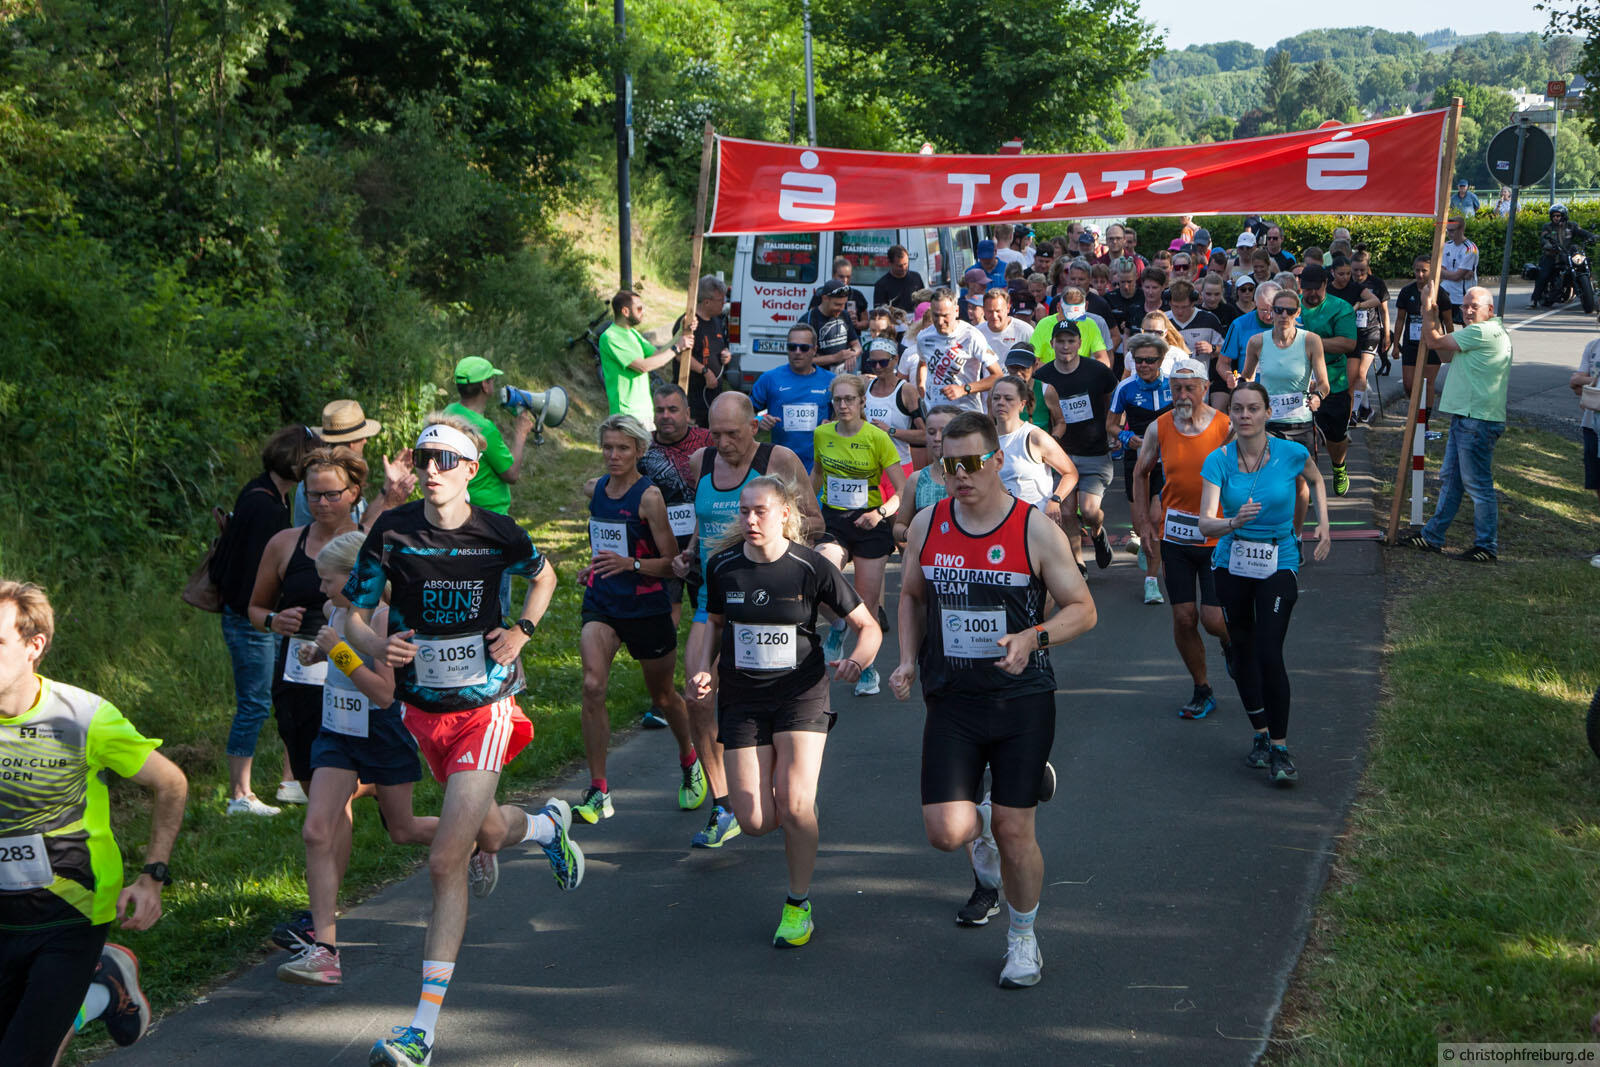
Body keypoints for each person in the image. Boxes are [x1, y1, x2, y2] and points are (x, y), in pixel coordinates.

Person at [345, 415, 581, 1067]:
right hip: (425, 712)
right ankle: (545, 827)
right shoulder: (392, 531)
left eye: (445, 460)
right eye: (424, 458)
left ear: (471, 470)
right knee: (486, 831)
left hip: (486, 706)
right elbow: (353, 615)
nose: (431, 469)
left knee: (445, 860)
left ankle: (421, 1031)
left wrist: (523, 630)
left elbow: (545, 576)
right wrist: (376, 646)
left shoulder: (497, 531)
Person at [890, 412, 1097, 988]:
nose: (959, 475)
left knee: (1014, 829)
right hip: (952, 698)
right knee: (945, 833)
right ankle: (983, 819)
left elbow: (1083, 609)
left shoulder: (1034, 529)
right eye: (948, 465)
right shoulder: (929, 523)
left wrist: (1033, 638)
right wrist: (905, 659)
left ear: (997, 460)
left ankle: (1023, 939)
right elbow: (911, 597)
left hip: (1020, 699)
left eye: (971, 463)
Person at [0, 580, 188, 1065]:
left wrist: (153, 876)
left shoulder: (84, 717)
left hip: (72, 910)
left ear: (34, 645)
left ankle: (94, 981)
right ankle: (102, 989)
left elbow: (170, 782)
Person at [690, 475, 881, 947]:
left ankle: (798, 904)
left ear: (784, 514)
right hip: (743, 699)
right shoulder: (723, 566)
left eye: (760, 511)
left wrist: (858, 661)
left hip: (801, 693)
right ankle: (799, 809)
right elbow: (716, 624)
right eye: (744, 511)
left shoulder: (810, 567)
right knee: (754, 821)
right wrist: (704, 671)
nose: (751, 519)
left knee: (794, 804)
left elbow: (868, 626)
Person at [275, 531, 439, 986]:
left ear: (355, 578)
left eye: (327, 581)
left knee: (403, 830)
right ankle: (325, 951)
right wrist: (318, 653)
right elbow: (338, 661)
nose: (320, 589)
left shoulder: (384, 620)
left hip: (382, 732)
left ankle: (475, 837)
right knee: (316, 830)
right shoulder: (334, 611)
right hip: (338, 733)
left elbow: (384, 693)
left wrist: (338, 652)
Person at [676, 393, 821, 849]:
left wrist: (771, 545)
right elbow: (704, 517)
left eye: (732, 434)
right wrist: (690, 551)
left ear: (754, 427)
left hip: (767, 599)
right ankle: (723, 804)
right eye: (715, 434)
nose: (723, 444)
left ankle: (784, 782)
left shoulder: (778, 459)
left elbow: (815, 520)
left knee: (765, 692)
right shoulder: (700, 461)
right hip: (713, 597)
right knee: (698, 696)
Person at [1197, 382, 1331, 784]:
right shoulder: (1218, 461)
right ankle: (1259, 732)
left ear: (1267, 412)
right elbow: (1205, 523)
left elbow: (1316, 480)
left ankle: (1280, 748)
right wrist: (1232, 522)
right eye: (1238, 408)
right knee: (1242, 650)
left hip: (1279, 559)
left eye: (1253, 408)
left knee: (1269, 651)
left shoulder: (1291, 453)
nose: (1245, 415)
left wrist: (1323, 525)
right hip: (1232, 560)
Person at [574, 415, 702, 825]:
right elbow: (603, 544)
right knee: (593, 685)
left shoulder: (649, 498)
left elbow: (671, 564)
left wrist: (628, 564)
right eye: (608, 447)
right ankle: (599, 789)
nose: (613, 455)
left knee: (664, 697)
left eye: (622, 448)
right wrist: (595, 567)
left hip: (646, 607)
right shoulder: (595, 490)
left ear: (639, 451)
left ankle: (689, 759)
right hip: (602, 603)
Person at [249, 447, 365, 812]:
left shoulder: (371, 543)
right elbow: (255, 609)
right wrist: (274, 620)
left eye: (332, 494)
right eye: (313, 495)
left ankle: (373, 792)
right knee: (310, 778)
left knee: (351, 777)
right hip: (298, 674)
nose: (322, 503)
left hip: (356, 672)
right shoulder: (285, 543)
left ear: (353, 493)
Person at [213, 425, 315, 816]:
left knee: (277, 697)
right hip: (250, 620)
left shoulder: (266, 494)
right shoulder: (267, 507)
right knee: (254, 704)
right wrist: (269, 616)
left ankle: (289, 781)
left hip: (256, 617)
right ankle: (239, 795)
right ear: (298, 464)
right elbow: (250, 575)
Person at [1131, 358, 1234, 717]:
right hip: (1175, 538)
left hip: (1217, 538)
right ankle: (1202, 688)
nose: (1183, 395)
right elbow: (1141, 472)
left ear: (1205, 388)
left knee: (1214, 619)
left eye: (1190, 388)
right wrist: (1144, 523)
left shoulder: (1225, 426)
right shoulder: (1159, 427)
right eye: (1176, 388)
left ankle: (1231, 643)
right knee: (1184, 618)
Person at [1399, 287, 1513, 562]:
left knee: (1478, 485)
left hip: (1477, 419)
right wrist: (1435, 316)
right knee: (1451, 480)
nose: (1468, 311)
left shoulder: (1483, 332)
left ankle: (1486, 546)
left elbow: (1433, 342)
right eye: (1465, 306)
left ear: (1490, 310)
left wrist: (1427, 308)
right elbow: (1446, 355)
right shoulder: (1482, 333)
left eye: (1474, 306)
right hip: (1468, 417)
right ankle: (1432, 536)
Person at [812, 374, 906, 697]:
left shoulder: (877, 438)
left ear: (862, 401)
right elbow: (817, 474)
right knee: (820, 576)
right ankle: (838, 624)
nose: (843, 405)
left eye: (849, 399)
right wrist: (806, 507)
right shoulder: (822, 434)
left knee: (866, 603)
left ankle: (867, 669)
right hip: (834, 520)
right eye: (837, 400)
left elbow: (902, 490)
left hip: (870, 523)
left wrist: (879, 513)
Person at [1035, 320, 1119, 574]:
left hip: (1095, 452)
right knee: (1068, 511)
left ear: (1080, 343)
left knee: (1090, 511)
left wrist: (1113, 428)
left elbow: (1114, 400)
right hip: (1062, 455)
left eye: (1071, 341)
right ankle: (1078, 563)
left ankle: (1097, 531)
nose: (1065, 346)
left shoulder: (1098, 371)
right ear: (1052, 344)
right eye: (1060, 341)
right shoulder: (1043, 376)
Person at [1109, 335, 1175, 605]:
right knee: (1140, 524)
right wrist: (1126, 437)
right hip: (1136, 460)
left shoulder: (1174, 385)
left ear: (1161, 360)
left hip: (1167, 461)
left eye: (1150, 360)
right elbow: (1111, 425)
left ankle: (1151, 581)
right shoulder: (1125, 388)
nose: (1144, 365)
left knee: (1156, 520)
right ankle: (1147, 546)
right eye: (1139, 360)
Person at [290, 399, 414, 532]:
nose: (365, 441)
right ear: (351, 444)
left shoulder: (333, 476)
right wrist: (390, 502)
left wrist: (387, 487)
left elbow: (361, 522)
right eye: (362, 437)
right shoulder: (327, 483)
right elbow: (354, 537)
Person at [1242, 287, 1331, 461]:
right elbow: (1246, 378)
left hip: (1301, 422)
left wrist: (1317, 396)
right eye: (1279, 310)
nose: (1284, 315)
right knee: (1273, 473)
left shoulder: (1311, 340)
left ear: (1297, 313)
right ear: (1272, 311)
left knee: (1303, 476)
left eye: (1290, 311)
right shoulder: (1257, 342)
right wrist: (1237, 381)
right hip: (1269, 423)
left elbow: (1324, 384)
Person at [1297, 264, 1358, 495]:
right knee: (1301, 434)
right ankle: (1305, 485)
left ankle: (1339, 466)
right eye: (1307, 288)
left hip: (1333, 379)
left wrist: (1310, 342)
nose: (1312, 293)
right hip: (1299, 380)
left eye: (1317, 288)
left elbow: (1348, 343)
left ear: (1325, 284)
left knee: (1335, 436)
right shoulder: (1292, 307)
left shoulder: (1340, 308)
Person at [988, 375, 1078, 520]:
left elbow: (1071, 473)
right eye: (996, 398)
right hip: (997, 520)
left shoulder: (1035, 437)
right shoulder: (984, 439)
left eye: (1008, 399)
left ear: (1022, 405)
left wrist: (1055, 501)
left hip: (1033, 520)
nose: (1001, 403)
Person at [600, 290, 691, 428]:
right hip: (627, 414)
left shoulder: (633, 334)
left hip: (645, 412)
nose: (643, 311)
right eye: (639, 308)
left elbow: (658, 354)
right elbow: (643, 366)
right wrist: (677, 348)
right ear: (625, 311)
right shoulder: (610, 337)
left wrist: (680, 332)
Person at [750, 323, 835, 471]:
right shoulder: (770, 379)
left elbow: (844, 417)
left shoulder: (831, 381)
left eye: (804, 348)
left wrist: (833, 425)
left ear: (814, 350)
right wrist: (759, 420)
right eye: (792, 347)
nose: (797, 352)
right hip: (781, 464)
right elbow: (744, 413)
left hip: (819, 466)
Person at [908, 289, 1003, 413]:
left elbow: (998, 376)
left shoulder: (971, 336)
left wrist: (964, 389)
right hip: (934, 412)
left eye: (945, 316)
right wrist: (921, 388)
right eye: (935, 315)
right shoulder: (924, 337)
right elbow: (922, 364)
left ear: (956, 311)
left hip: (965, 412)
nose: (940, 321)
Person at [1392, 253, 1455, 412]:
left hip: (1434, 344)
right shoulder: (1407, 291)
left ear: (1431, 272)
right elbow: (1400, 319)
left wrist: (1451, 345)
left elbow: (1448, 321)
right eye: (1417, 270)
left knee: (1427, 383)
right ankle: (1415, 412)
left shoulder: (1440, 293)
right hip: (1411, 344)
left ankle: (1423, 419)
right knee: (1409, 384)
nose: (1420, 274)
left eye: (1424, 271)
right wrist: (1395, 345)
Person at [890, 405, 962, 543]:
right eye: (931, 432)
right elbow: (899, 526)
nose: (937, 438)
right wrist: (909, 534)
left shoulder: (975, 475)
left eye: (944, 431)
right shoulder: (917, 479)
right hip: (927, 554)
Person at [671, 276, 733, 427]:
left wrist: (726, 355)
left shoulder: (717, 321)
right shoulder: (688, 323)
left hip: (713, 395)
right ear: (706, 302)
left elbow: (721, 346)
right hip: (692, 395)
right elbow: (680, 355)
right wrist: (705, 371)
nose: (724, 303)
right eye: (720, 300)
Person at [862, 337, 925, 473]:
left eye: (883, 362)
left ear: (895, 359)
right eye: (873, 363)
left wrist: (891, 431)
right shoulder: (866, 386)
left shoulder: (906, 391)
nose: (877, 367)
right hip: (869, 466)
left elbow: (924, 435)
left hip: (898, 466)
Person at [1342, 252, 1391, 424]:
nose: (1358, 274)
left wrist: (1387, 334)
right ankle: (1366, 407)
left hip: (1371, 331)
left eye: (1362, 270)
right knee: (1352, 374)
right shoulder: (1347, 283)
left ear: (1368, 267)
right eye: (1355, 270)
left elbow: (1384, 310)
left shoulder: (1376, 283)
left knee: (1361, 373)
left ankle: (1354, 412)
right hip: (1352, 333)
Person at [1572, 327, 1600, 568]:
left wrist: (1589, 385)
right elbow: (1575, 383)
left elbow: (1583, 385)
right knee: (1598, 485)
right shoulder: (1593, 347)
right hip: (1591, 425)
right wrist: (1593, 382)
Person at [1535, 204, 1595, 309]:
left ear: (1564, 216)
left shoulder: (1571, 226)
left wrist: (1592, 236)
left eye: (1558, 215)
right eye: (1553, 216)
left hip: (1568, 254)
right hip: (1552, 255)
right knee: (1543, 275)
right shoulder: (1548, 227)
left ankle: (1590, 288)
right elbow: (1543, 238)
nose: (1555, 218)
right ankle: (1534, 299)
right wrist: (1548, 245)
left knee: (1585, 262)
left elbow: (1582, 232)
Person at [1003, 345, 1066, 440]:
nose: (1018, 373)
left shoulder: (1046, 390)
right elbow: (991, 424)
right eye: (1013, 368)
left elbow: (1060, 422)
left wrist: (1051, 442)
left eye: (1023, 368)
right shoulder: (997, 391)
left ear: (1035, 366)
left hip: (1038, 447)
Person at [804, 279, 864, 370]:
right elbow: (805, 360)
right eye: (837, 304)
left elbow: (857, 345)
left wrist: (851, 354)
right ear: (825, 298)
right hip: (819, 374)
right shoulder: (808, 321)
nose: (841, 308)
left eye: (844, 304)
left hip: (842, 374)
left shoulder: (844, 315)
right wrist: (835, 358)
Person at [806, 257, 870, 330]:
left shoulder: (857, 295)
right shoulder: (821, 293)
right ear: (833, 275)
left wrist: (856, 324)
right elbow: (811, 318)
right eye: (841, 276)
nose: (845, 280)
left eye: (848, 277)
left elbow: (866, 322)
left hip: (851, 334)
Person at [978, 289, 1033, 364]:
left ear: (1008, 308)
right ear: (984, 310)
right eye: (990, 311)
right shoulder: (977, 333)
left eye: (998, 311)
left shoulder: (1025, 330)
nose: (994, 316)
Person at [1439, 217, 1478, 317]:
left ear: (1461, 230)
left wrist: (1452, 274)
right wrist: (1457, 274)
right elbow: (1440, 272)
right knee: (1441, 322)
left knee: (1466, 323)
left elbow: (1457, 276)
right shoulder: (1446, 245)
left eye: (1452, 231)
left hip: (1462, 296)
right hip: (1446, 292)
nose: (1449, 234)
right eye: (1447, 230)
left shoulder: (1470, 249)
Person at [872, 244, 925, 314]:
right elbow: (879, 313)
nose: (904, 268)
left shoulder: (916, 277)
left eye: (905, 264)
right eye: (899, 266)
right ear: (890, 263)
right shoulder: (881, 285)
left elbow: (924, 302)